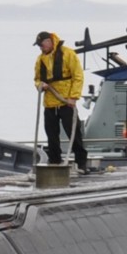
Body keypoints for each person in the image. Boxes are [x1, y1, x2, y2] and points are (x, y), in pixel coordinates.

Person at [33, 31, 90, 172]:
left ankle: (81, 163)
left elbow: (78, 76)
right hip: (49, 103)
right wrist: (40, 85)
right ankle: (55, 162)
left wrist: (73, 97)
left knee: (73, 133)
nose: (40, 48)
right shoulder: (40, 60)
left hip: (66, 102)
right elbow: (37, 79)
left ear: (49, 41)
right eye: (39, 46)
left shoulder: (68, 54)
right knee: (51, 135)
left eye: (41, 44)